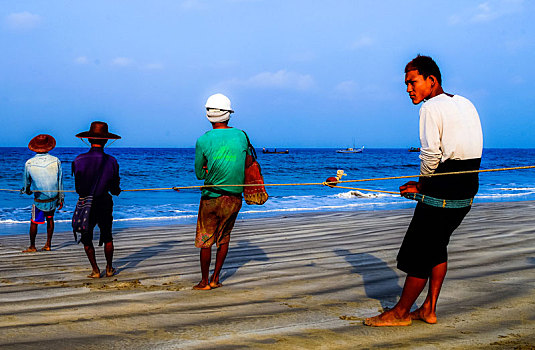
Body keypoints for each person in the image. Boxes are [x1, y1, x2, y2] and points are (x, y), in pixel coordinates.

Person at [365, 55, 483, 326]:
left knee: (419, 250)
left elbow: (430, 155)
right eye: (406, 84)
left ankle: (401, 313)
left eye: (412, 82)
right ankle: (428, 308)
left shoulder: (430, 108)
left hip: (444, 187)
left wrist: (422, 185)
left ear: (432, 80)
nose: (408, 89)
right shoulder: (465, 102)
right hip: (468, 186)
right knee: (437, 244)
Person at [193, 93, 249, 290]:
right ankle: (216, 278)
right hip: (234, 198)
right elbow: (247, 160)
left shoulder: (203, 140)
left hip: (211, 197)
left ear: (208, 116)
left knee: (206, 239)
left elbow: (199, 174)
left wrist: (209, 168)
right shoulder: (241, 135)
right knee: (223, 238)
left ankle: (204, 281)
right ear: (229, 115)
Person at [72, 121, 121, 278]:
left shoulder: (78, 160)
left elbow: (78, 188)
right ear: (106, 140)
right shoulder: (112, 161)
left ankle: (95, 270)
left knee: (86, 237)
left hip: (86, 203)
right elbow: (114, 189)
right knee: (107, 236)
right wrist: (116, 190)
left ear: (88, 139)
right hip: (105, 202)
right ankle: (109, 268)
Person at [21, 134, 64, 252]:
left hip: (39, 199)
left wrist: (26, 190)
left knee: (34, 222)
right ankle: (48, 244)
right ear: (49, 146)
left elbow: (26, 183)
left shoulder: (29, 163)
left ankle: (32, 246)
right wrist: (61, 198)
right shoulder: (56, 161)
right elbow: (60, 181)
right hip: (53, 198)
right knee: (50, 219)